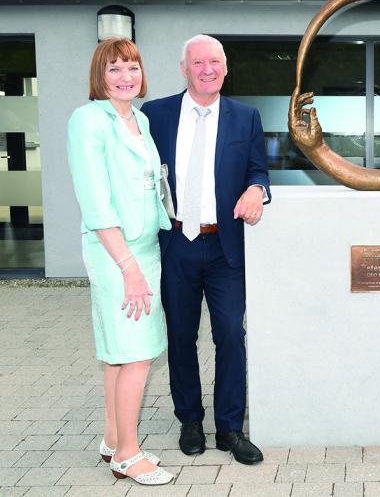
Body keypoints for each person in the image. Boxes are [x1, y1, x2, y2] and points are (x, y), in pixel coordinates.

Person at [141, 35, 270, 465]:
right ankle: (190, 421)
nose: (208, 69)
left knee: (231, 334)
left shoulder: (245, 117)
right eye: (199, 62)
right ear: (184, 68)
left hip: (224, 246)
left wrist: (257, 190)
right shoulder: (154, 115)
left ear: (226, 68)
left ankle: (230, 428)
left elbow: (258, 170)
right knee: (180, 336)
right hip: (175, 242)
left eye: (215, 61)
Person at [67, 38, 174, 485]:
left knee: (117, 354)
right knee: (137, 355)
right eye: (114, 69)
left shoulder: (140, 120)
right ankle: (129, 455)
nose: (126, 76)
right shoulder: (89, 120)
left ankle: (113, 438)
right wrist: (129, 269)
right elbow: (96, 204)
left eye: (132, 67)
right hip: (118, 254)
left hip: (146, 247)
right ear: (100, 76)